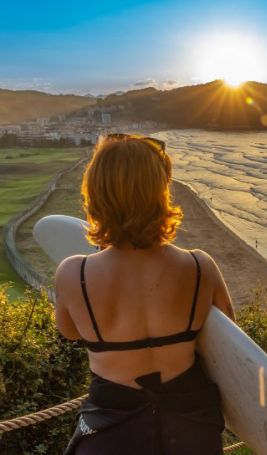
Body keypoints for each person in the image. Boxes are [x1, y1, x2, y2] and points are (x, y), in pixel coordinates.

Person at [55, 134, 234, 455]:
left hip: (110, 433)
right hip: (191, 430)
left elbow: (68, 331)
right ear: (160, 192)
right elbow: (228, 339)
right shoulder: (199, 266)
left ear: (96, 193)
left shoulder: (74, 273)